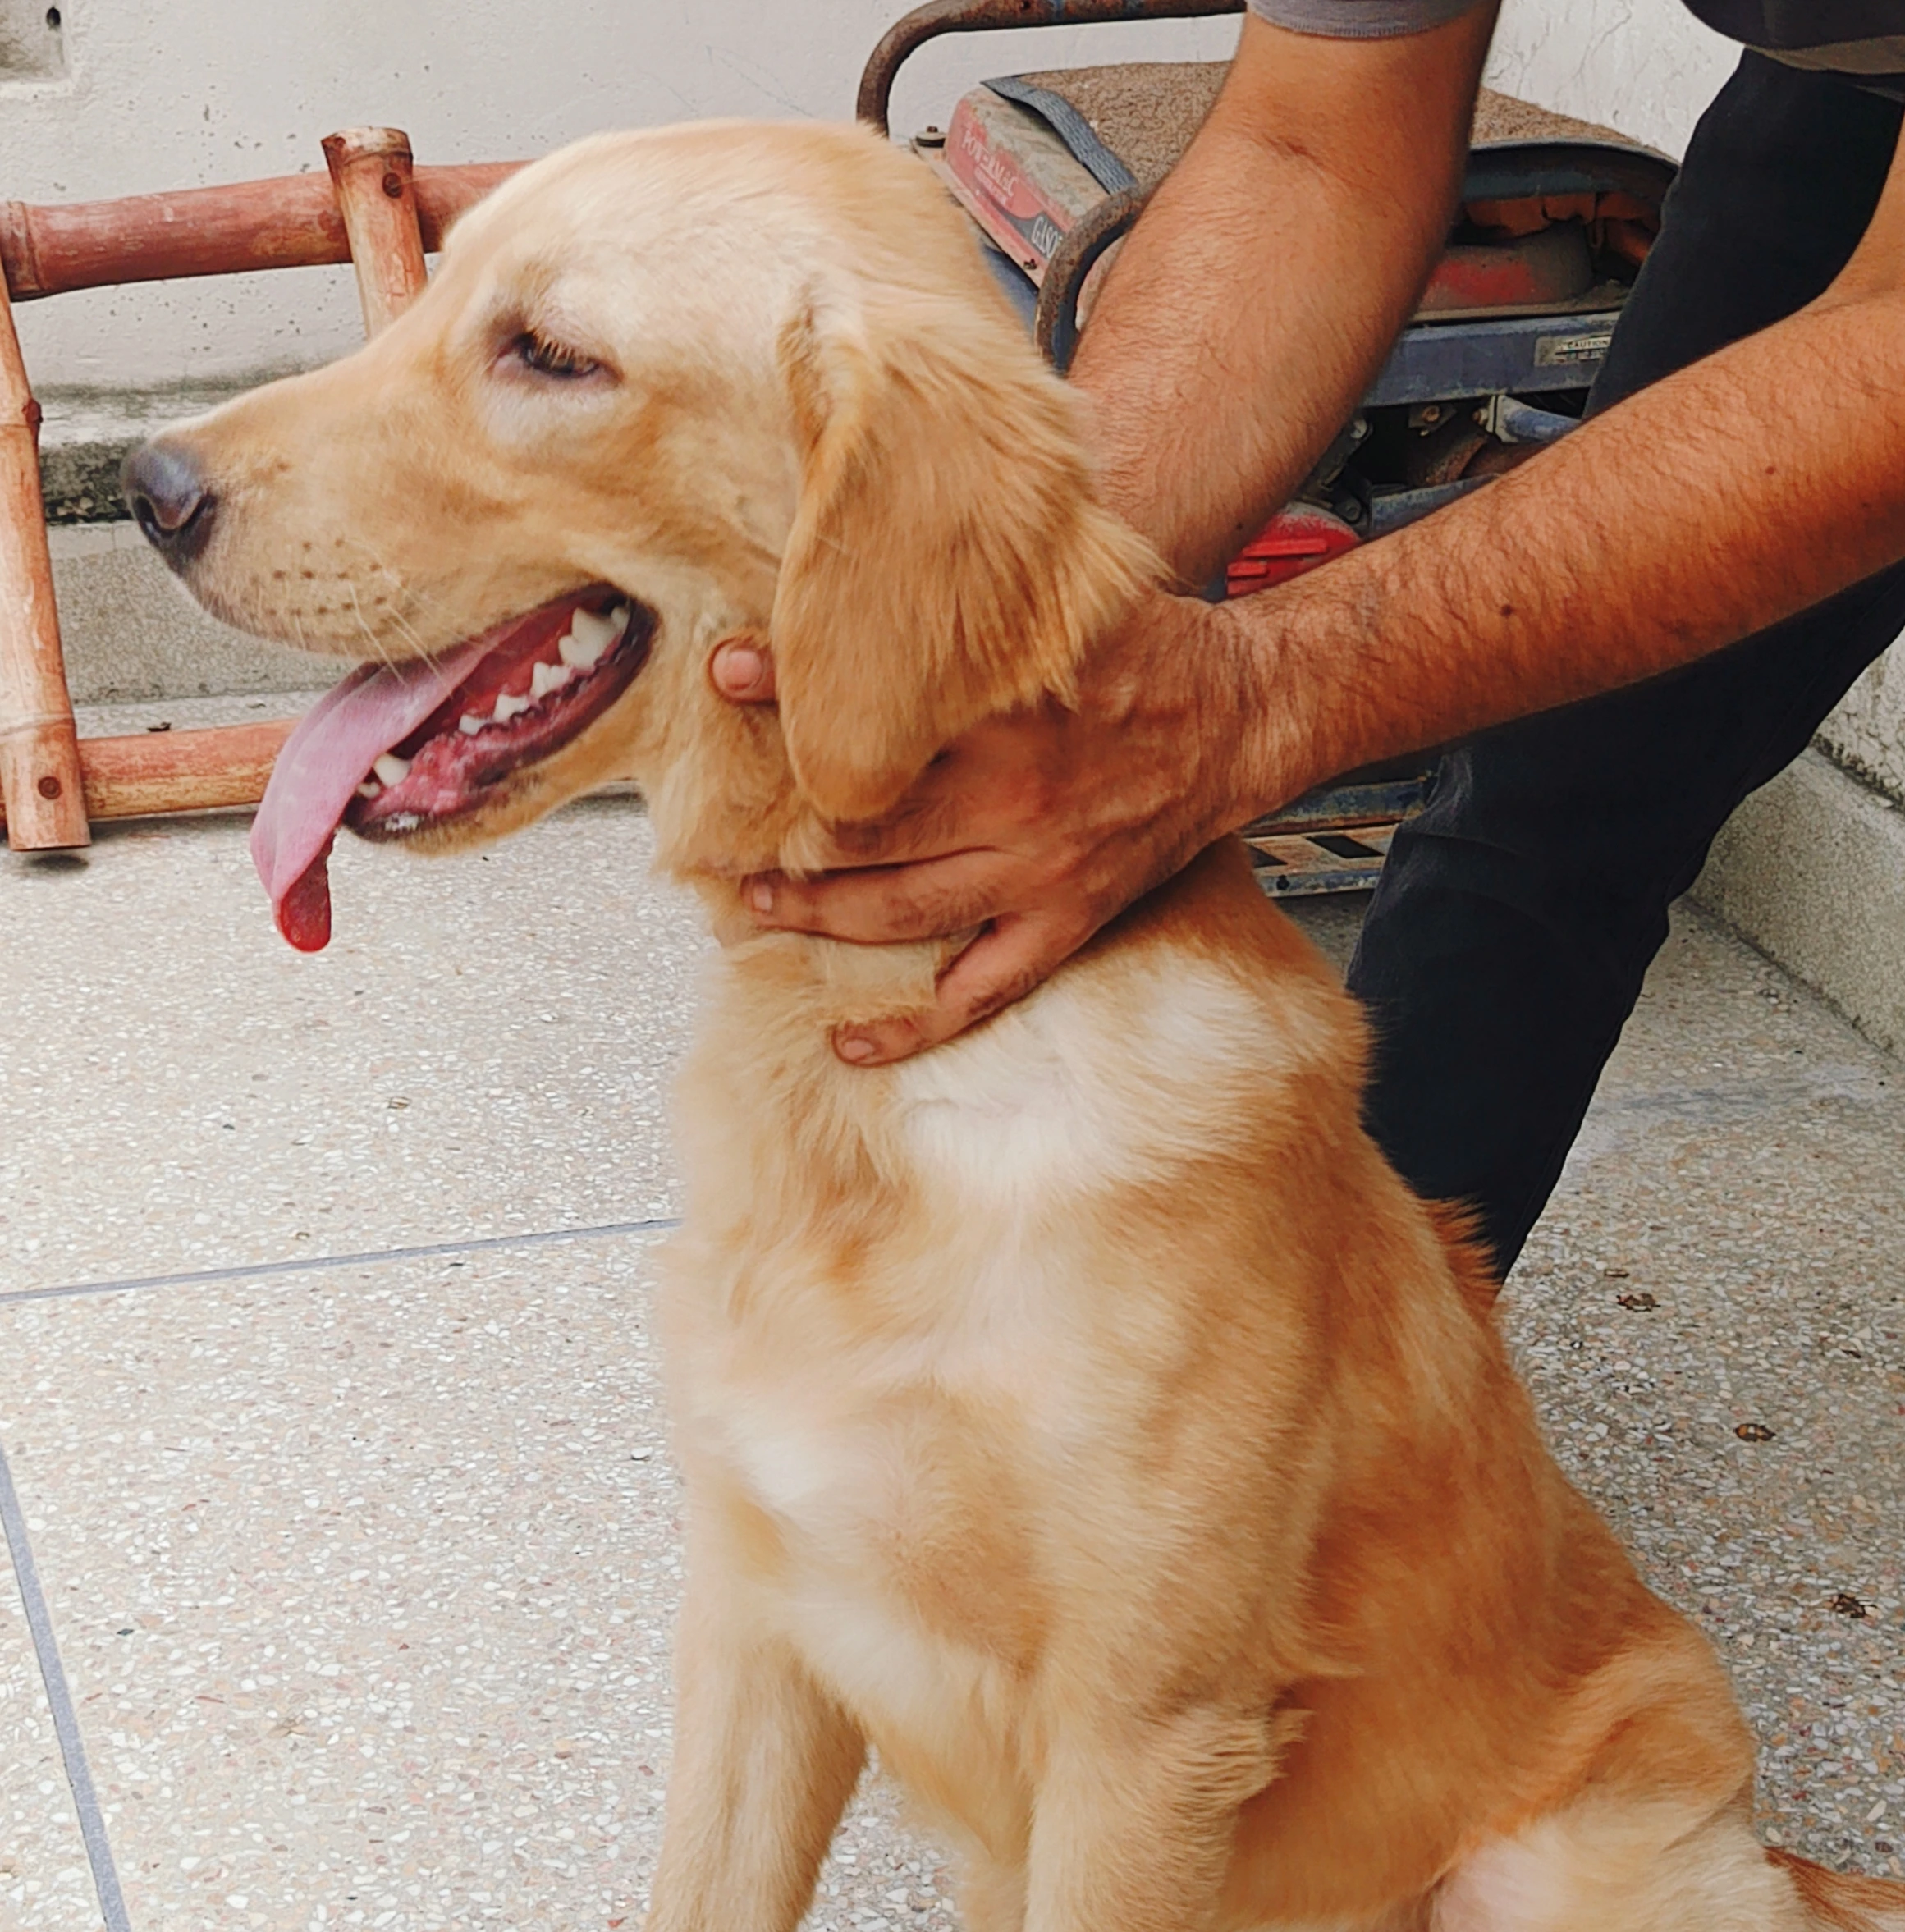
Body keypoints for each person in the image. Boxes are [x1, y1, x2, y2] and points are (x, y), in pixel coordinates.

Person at [712, 2, 1905, 1275]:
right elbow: (1314, 143)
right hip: (1849, 76)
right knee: (1557, 784)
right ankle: (1329, 1350)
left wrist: (1253, 693)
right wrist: (1043, 607)